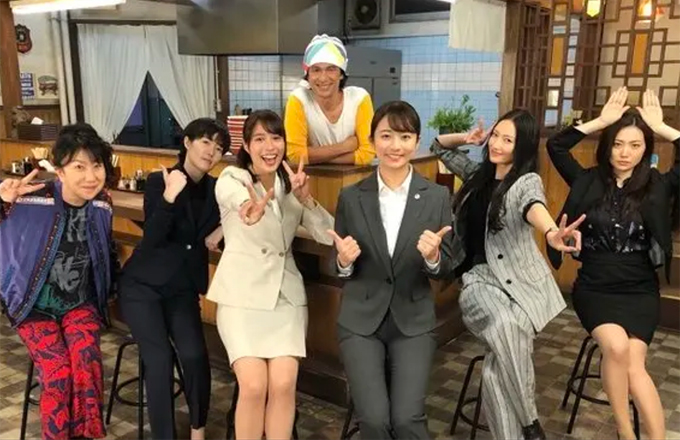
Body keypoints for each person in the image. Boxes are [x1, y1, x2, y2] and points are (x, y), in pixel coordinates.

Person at [432, 110, 583, 440]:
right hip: (478, 280)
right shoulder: (476, 175)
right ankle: (530, 422)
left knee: (496, 369)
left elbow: (533, 205)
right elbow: (438, 146)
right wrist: (467, 138)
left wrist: (551, 232)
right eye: (496, 135)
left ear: (522, 147)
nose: (497, 144)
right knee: (505, 326)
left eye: (508, 140)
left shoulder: (525, 182)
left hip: (521, 287)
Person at [547, 87, 679, 440]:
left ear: (646, 149)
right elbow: (556, 146)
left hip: (640, 288)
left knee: (634, 365)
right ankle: (625, 431)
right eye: (618, 144)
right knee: (617, 347)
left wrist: (661, 128)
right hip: (595, 286)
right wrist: (601, 121)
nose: (625, 153)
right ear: (607, 146)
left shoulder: (657, 184)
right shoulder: (587, 180)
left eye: (635, 145)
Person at [328, 101, 454, 439]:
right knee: (374, 420)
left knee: (407, 419)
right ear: (372, 140)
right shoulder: (351, 197)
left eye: (405, 136)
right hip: (360, 321)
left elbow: (447, 266)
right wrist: (343, 261)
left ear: (417, 141)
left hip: (413, 321)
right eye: (386, 136)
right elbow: (336, 261)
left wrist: (433, 257)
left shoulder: (437, 196)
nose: (395, 146)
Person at [207, 110, 334, 440]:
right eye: (260, 139)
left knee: (283, 383)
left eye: (276, 138)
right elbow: (235, 200)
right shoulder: (232, 179)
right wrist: (247, 209)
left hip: (286, 298)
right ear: (247, 146)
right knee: (253, 385)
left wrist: (307, 200)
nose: (269, 146)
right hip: (241, 299)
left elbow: (327, 235)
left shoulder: (292, 185)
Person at [0, 124, 118, 440]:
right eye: (79, 167)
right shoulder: (30, 197)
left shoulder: (102, 203)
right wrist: (2, 200)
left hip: (79, 302)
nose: (90, 176)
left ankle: (86, 435)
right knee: (58, 374)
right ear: (60, 170)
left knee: (87, 364)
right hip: (33, 305)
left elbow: (106, 251)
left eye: (97, 166)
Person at [118, 118, 228, 440]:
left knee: (195, 355)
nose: (211, 152)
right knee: (160, 360)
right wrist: (168, 198)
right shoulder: (160, 180)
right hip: (142, 287)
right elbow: (152, 238)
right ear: (187, 143)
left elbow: (233, 219)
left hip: (182, 289)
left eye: (218, 148)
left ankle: (198, 429)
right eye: (205, 142)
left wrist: (222, 229)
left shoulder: (217, 189)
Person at [284, 34, 375, 165]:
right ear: (308, 75)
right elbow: (295, 155)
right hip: (311, 177)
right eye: (316, 70)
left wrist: (314, 157)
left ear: (341, 74)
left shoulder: (359, 98)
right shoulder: (299, 100)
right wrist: (344, 147)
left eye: (331, 69)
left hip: (357, 178)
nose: (323, 78)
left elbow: (367, 154)